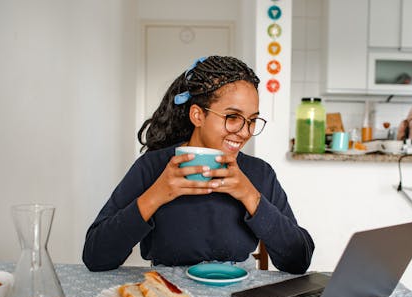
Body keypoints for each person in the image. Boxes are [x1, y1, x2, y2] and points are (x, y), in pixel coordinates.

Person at [82, 55, 314, 274]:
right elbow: (95, 256)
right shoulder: (153, 167)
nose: (244, 132)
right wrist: (157, 194)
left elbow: (298, 261)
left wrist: (250, 196)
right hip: (169, 296)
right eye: (232, 117)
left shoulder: (259, 173)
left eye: (252, 121)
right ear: (197, 115)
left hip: (239, 295)